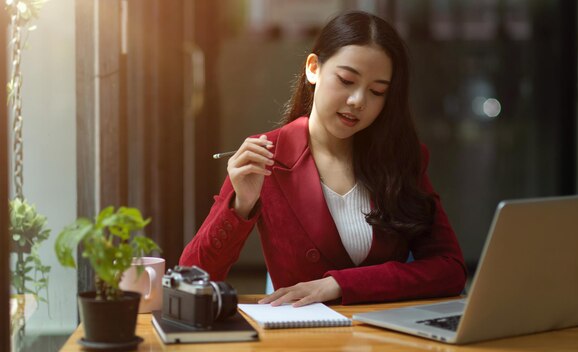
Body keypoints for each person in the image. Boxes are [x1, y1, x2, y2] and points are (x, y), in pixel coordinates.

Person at [179, 11, 466, 307]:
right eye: (345, 80)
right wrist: (239, 206)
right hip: (306, 338)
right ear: (313, 68)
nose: (358, 101)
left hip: (389, 337)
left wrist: (338, 284)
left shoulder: (402, 159)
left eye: (377, 91)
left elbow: (450, 269)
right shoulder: (266, 157)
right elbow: (193, 278)